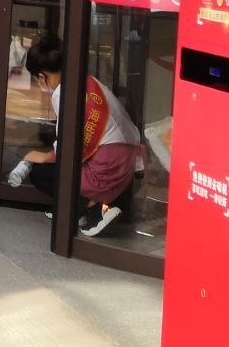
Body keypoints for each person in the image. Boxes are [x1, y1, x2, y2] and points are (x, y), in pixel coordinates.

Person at [13, 33, 140, 237]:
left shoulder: (64, 94)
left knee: (40, 172)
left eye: (37, 79)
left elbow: (67, 146)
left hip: (107, 171)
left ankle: (91, 209)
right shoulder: (86, 81)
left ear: (42, 77)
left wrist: (42, 157)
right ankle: (98, 203)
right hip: (128, 163)